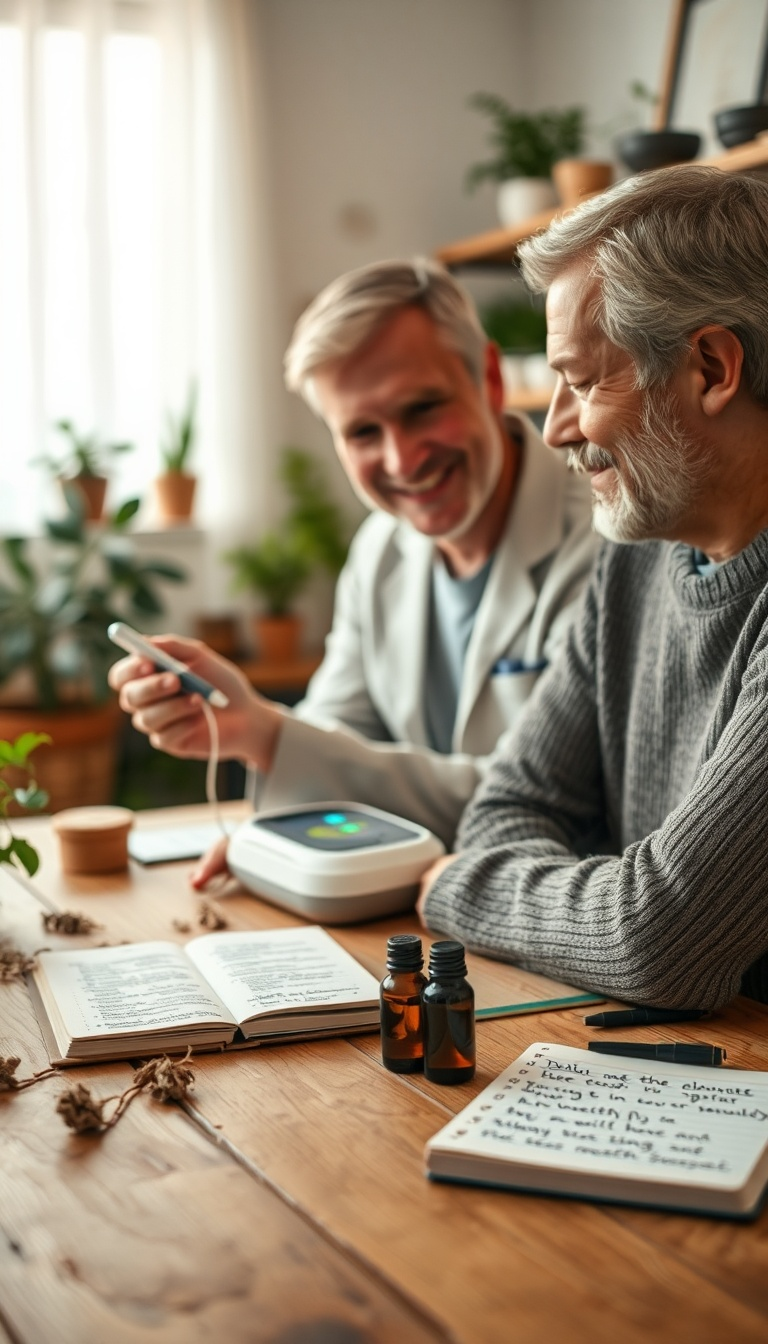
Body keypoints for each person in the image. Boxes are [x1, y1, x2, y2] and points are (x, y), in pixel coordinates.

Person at [110, 258, 596, 871]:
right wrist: (279, 830)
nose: (403, 458)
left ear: (490, 380)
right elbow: (337, 727)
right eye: (363, 431)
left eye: (422, 408)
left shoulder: (601, 541)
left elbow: (530, 803)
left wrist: (265, 733)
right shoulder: (380, 549)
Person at [418, 165, 768, 1010]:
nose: (553, 428)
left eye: (580, 381)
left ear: (713, 368)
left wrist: (455, 887)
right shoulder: (637, 555)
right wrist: (589, 897)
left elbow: (656, 941)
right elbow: (510, 803)